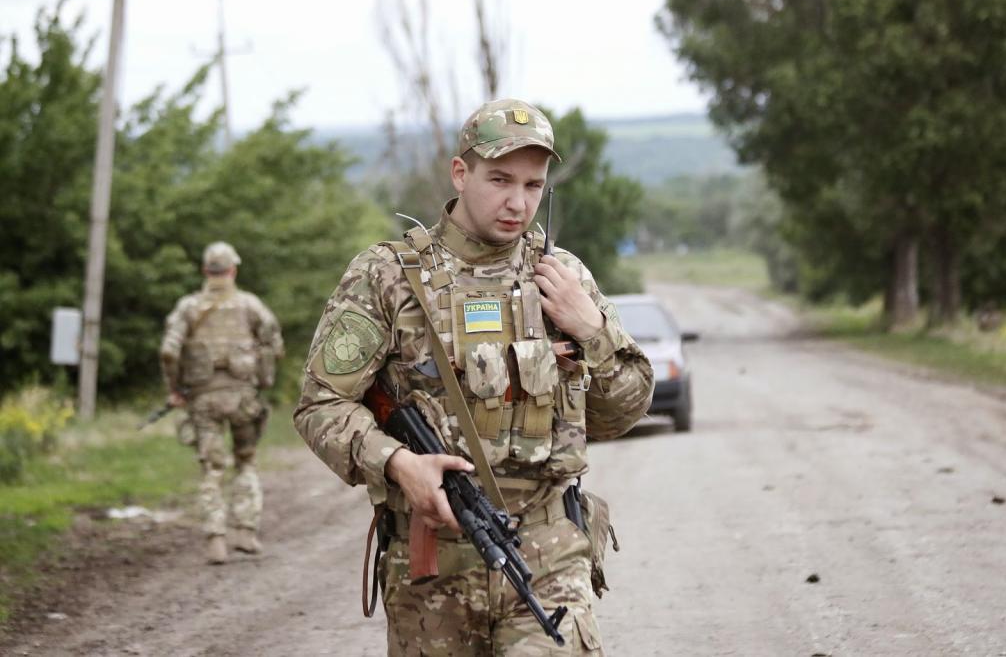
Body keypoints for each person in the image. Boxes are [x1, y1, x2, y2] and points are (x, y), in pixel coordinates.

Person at [294, 99, 653, 654]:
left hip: (548, 551)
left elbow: (619, 414)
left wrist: (591, 329)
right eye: (500, 179)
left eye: (534, 185)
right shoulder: (387, 276)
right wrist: (397, 463)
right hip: (433, 568)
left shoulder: (562, 276)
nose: (518, 202)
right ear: (460, 173)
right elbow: (320, 405)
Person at [160, 241, 284, 564]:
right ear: (233, 271)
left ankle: (216, 540)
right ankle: (245, 531)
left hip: (203, 399)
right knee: (245, 461)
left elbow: (169, 351)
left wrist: (175, 389)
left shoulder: (188, 307)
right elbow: (274, 342)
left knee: (212, 469)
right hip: (243, 397)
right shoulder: (249, 305)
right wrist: (265, 379)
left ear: (205, 271)